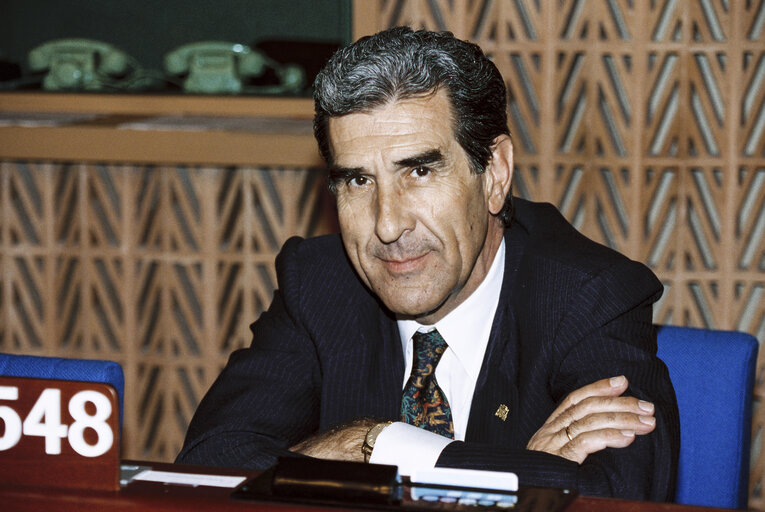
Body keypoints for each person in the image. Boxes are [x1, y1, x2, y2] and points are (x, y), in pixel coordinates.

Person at [177, 26, 679, 501]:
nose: (388, 224)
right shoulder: (319, 283)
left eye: (418, 171)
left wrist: (378, 449)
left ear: (494, 174)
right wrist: (510, 473)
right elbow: (210, 465)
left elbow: (619, 496)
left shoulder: (588, 295)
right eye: (358, 181)